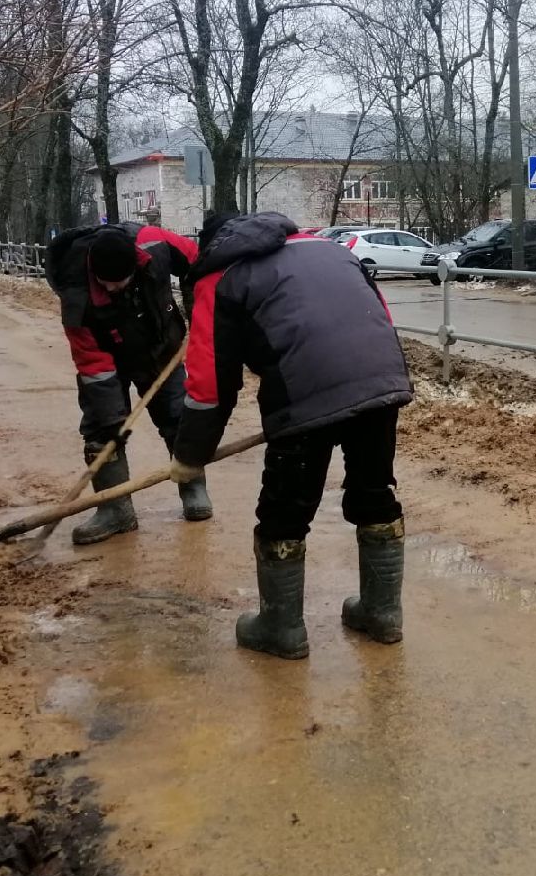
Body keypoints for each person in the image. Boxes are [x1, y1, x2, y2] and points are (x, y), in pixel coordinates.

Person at [172, 212, 413, 659]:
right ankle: (382, 613)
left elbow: (209, 387)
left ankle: (280, 627)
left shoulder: (218, 278)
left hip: (304, 393)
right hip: (381, 379)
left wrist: (190, 456)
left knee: (285, 509)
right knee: (374, 490)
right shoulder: (333, 250)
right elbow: (379, 316)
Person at [45, 219, 213, 544]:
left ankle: (193, 490)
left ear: (135, 266)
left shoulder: (154, 243)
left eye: (119, 282)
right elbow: (92, 361)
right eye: (105, 283)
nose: (112, 289)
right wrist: (112, 420)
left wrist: (198, 313)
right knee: (102, 428)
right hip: (108, 354)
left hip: (162, 345)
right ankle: (115, 510)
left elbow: (200, 264)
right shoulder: (75, 288)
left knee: (179, 416)